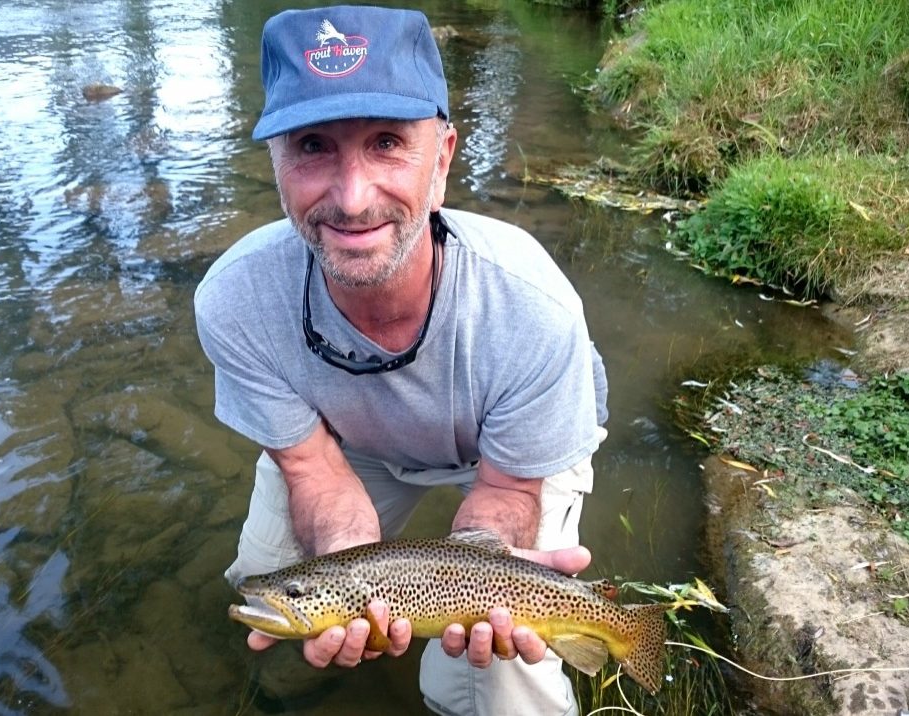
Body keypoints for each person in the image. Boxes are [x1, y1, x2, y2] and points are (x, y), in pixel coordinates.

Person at [194, 5, 609, 716]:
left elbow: (509, 491)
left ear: (442, 160)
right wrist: (346, 556)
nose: (352, 199)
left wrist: (485, 569)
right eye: (313, 146)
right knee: (266, 580)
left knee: (494, 675)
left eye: (387, 142)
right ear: (276, 166)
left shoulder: (535, 308)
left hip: (518, 458)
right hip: (350, 445)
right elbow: (311, 468)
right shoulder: (234, 301)